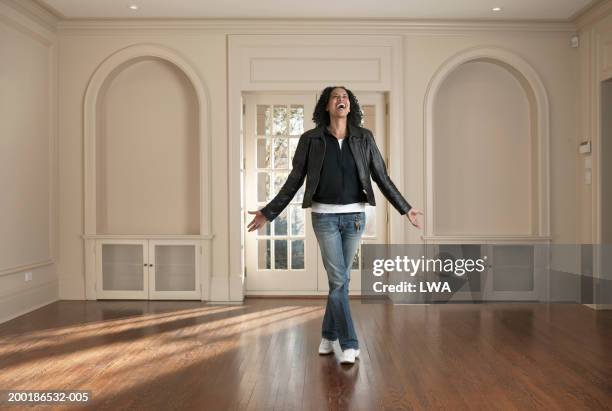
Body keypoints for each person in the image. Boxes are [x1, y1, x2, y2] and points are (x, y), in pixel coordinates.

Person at [247, 86, 423, 364]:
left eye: (345, 97)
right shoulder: (311, 139)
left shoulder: (364, 138)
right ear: (327, 106)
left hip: (355, 218)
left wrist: (406, 208)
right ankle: (349, 343)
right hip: (324, 217)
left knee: (339, 281)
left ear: (350, 106)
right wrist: (268, 213)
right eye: (335, 97)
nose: (341, 100)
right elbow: (294, 180)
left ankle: (328, 335)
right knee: (339, 279)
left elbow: (381, 176)